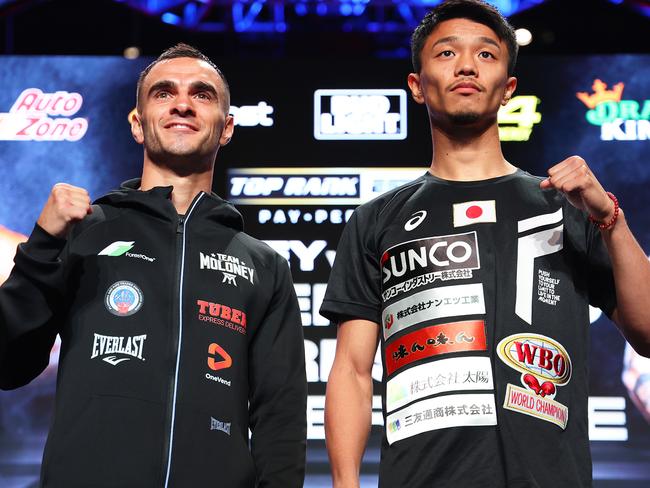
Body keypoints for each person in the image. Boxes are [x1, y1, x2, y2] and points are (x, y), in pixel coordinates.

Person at [320, 1, 650, 487]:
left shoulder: (568, 208)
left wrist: (610, 219)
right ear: (416, 85)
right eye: (447, 52)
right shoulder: (377, 221)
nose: (467, 66)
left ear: (508, 90)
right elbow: (351, 370)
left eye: (488, 55)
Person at [0, 44, 307, 487]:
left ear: (227, 128)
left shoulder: (263, 266)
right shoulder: (82, 233)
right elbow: (10, 364)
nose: (182, 103)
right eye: (163, 93)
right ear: (137, 124)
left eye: (202, 95)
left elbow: (281, 419)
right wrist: (44, 244)